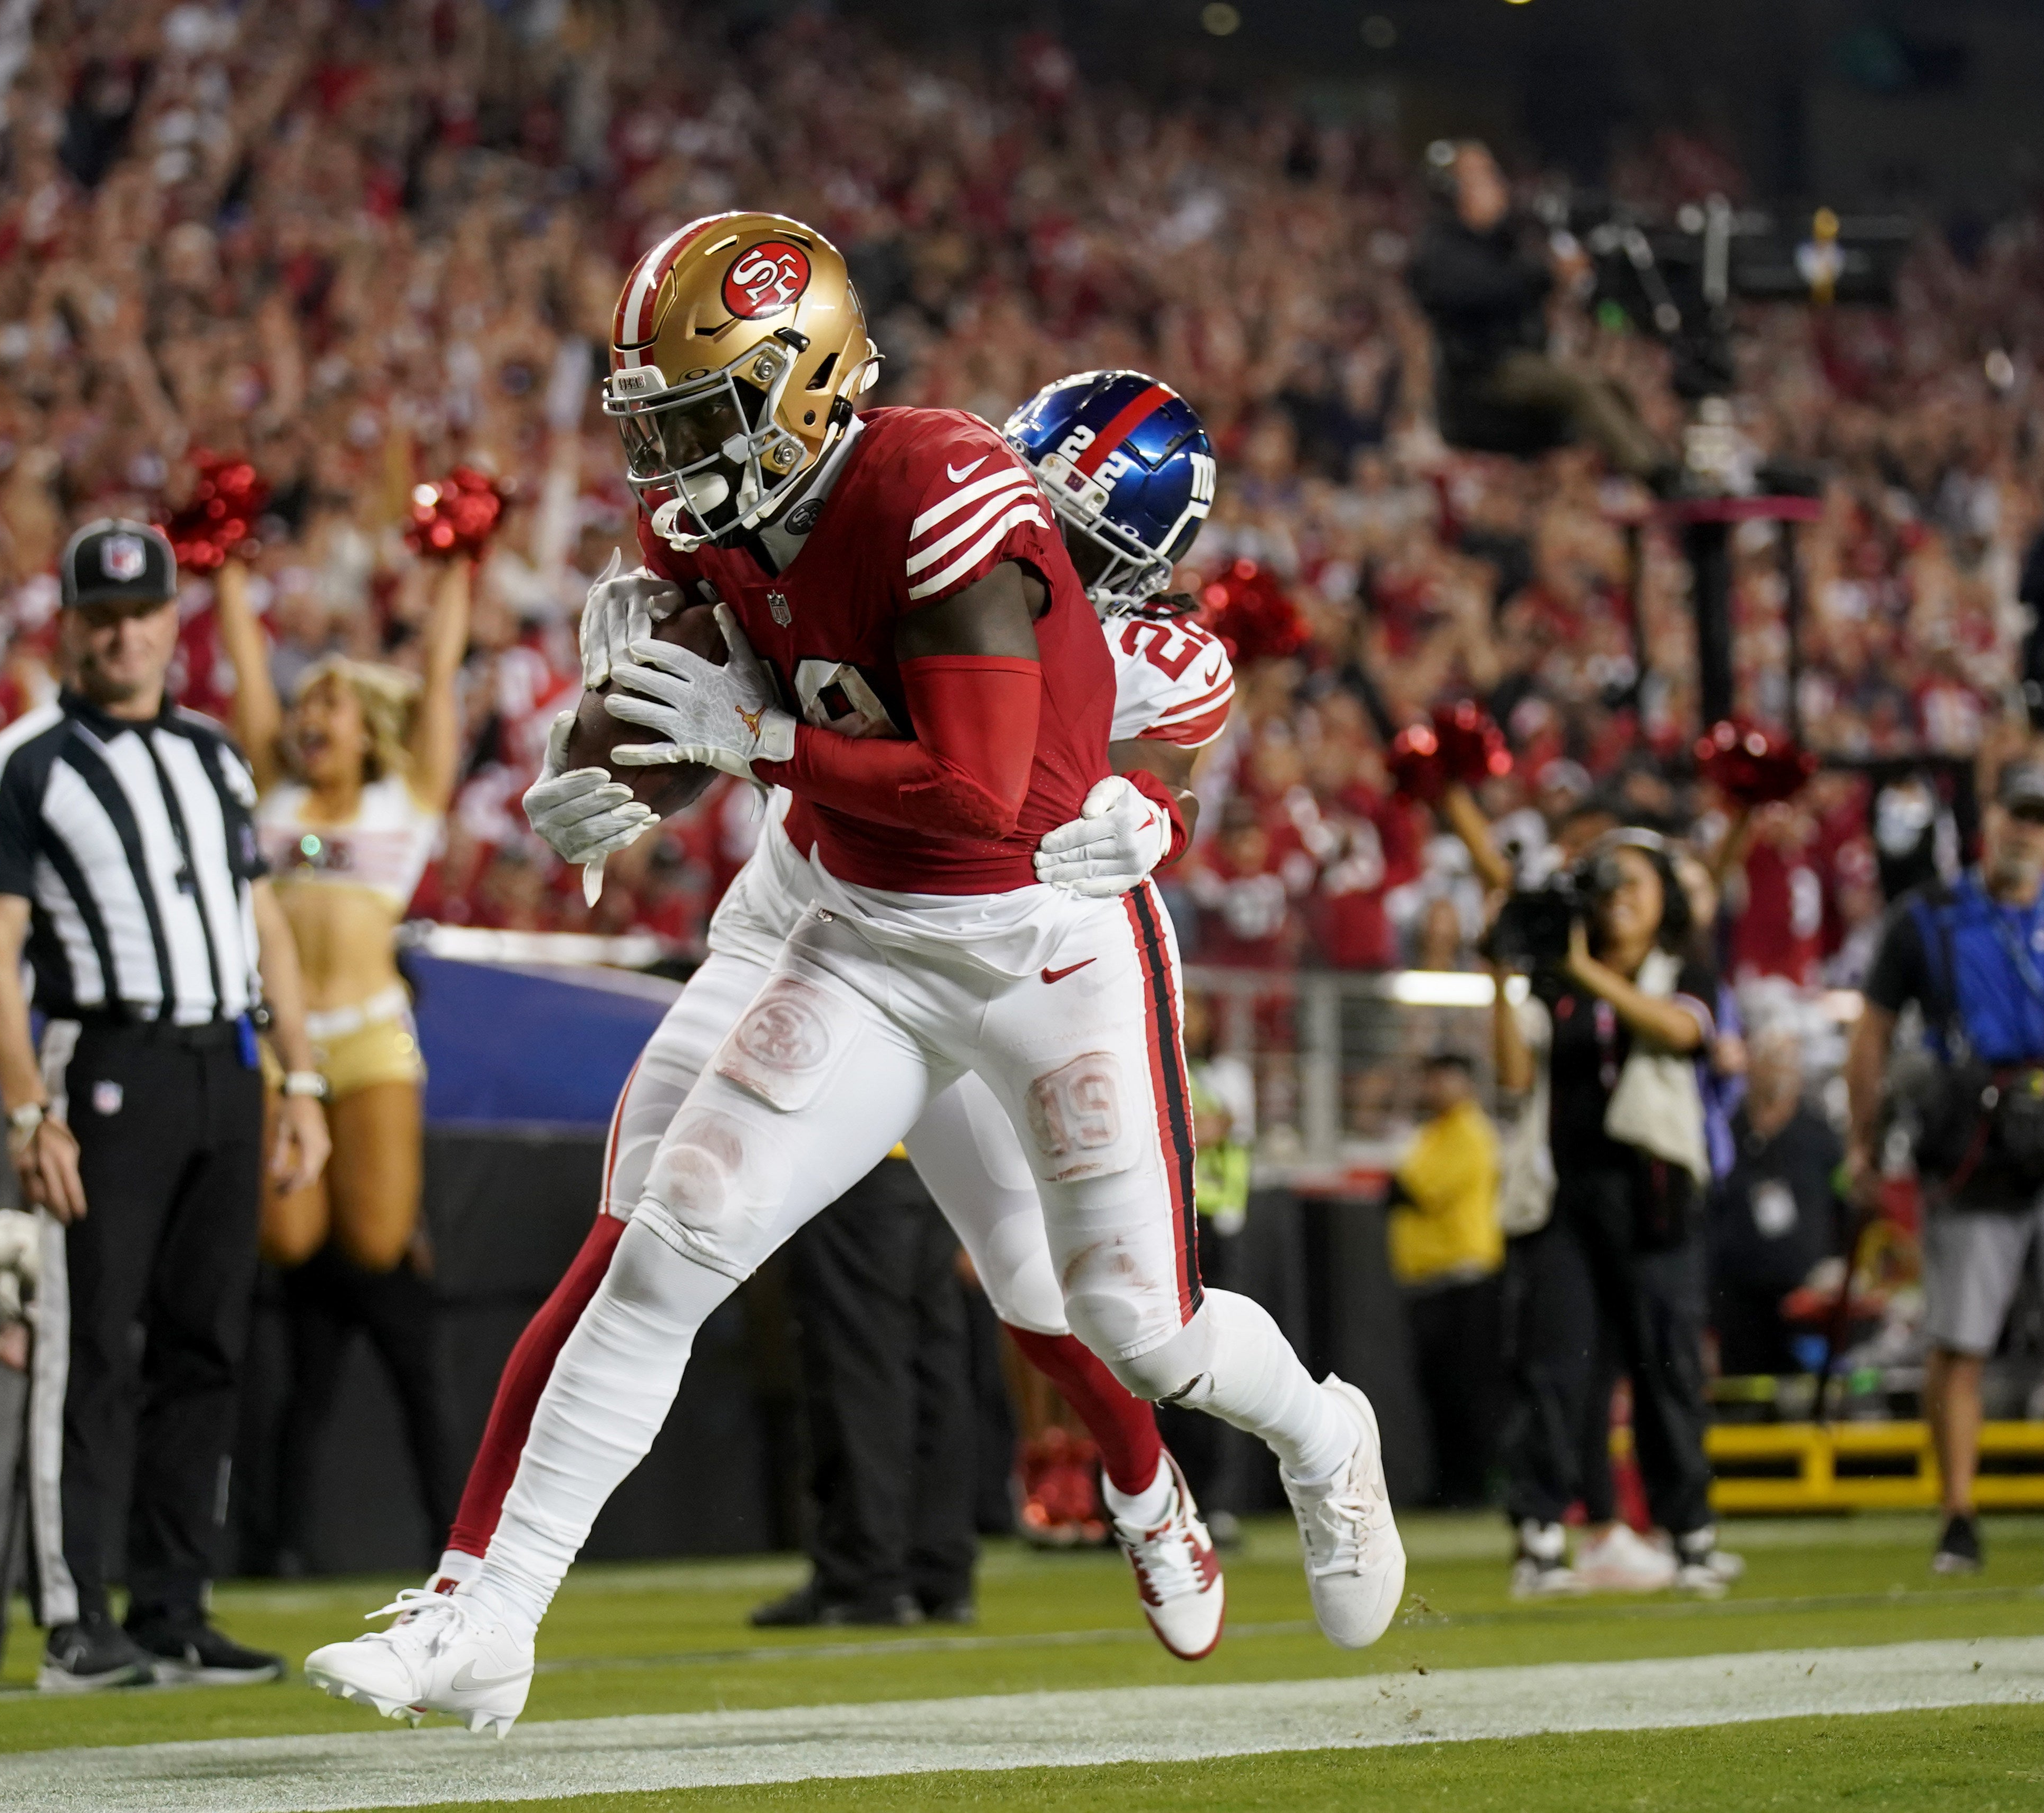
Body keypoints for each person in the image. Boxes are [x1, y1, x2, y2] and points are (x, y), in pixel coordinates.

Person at [304, 217, 1400, 1739]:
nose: (672, 461)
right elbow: (704, 697)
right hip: (861, 931)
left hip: (1040, 947)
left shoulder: (941, 495)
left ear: (807, 389)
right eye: (659, 422)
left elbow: (979, 793)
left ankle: (1317, 1428)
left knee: (1127, 1318)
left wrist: (749, 744)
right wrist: (600, 758)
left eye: (702, 417)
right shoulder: (720, 512)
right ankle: (491, 1609)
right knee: (672, 1233)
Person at [427, 367, 1246, 1663]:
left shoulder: (1146, 653)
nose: (1030, 541)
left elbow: (1141, 777)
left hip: (981, 949)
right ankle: (470, 1591)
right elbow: (688, 591)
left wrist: (1158, 817)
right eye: (1025, 496)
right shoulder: (912, 508)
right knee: (637, 1231)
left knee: (1041, 1295)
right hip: (801, 906)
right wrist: (604, 715)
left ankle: (1148, 1493)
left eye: (1072, 538)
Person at [0, 520, 332, 1693]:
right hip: (104, 1062)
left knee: (203, 1345)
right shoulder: (23, 762)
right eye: (100, 615)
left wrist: (301, 1075)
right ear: (69, 625)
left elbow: (261, 920)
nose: (121, 634)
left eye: (140, 613)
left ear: (173, 620)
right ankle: (78, 1616)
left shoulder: (215, 756)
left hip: (220, 1064)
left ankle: (174, 1604)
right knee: (88, 1345)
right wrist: (26, 1108)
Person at [211, 552, 471, 1563]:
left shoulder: (403, 802)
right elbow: (243, 666)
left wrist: (458, 564)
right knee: (287, 1238)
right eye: (304, 701)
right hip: (278, 1041)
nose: (313, 715)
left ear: (368, 725)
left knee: (367, 1244)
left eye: (334, 701)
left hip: (371, 1037)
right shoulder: (267, 793)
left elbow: (441, 673)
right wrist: (227, 571)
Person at [1846, 761, 2044, 1575]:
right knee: (1960, 1341)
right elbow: (1871, 1030)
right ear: (1989, 819)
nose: (2025, 829)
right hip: (1972, 1151)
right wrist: (1861, 1134)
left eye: (2041, 817)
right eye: (2014, 813)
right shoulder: (1927, 916)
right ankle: (1957, 1516)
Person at [1490, 832, 1735, 1597]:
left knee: (1668, 1363)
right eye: (1605, 884)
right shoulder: (1553, 981)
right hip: (1565, 1189)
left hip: (1652, 1187)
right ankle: (1537, 1536)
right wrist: (1503, 971)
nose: (1619, 895)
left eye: (1635, 882)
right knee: (1555, 1366)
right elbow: (1512, 1071)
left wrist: (1581, 969)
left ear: (1665, 895)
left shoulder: (1681, 969)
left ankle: (1688, 1531)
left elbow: (1679, 1030)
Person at [752, 1156, 977, 1628]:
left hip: (855, 1155)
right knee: (933, 1359)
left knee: (856, 1363)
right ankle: (938, 1574)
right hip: (927, 1158)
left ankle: (864, 1577)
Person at [1405, 140, 1673, 485]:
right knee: (1582, 385)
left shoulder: (1505, 242)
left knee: (1611, 386)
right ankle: (1656, 474)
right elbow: (1481, 290)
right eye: (1483, 178)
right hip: (1484, 374)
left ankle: (1641, 469)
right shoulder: (1442, 248)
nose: (1498, 187)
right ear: (1455, 191)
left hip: (1523, 365)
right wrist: (1549, 275)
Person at [1384, 1052, 1504, 1510]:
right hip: (1429, 1282)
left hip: (1465, 1279)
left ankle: (1475, 1487)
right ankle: (1450, 1486)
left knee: (1468, 1391)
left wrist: (1402, 1183)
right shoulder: (1433, 1133)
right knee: (1438, 1393)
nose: (1433, 1088)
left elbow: (1416, 1188)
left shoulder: (1470, 1131)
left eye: (1442, 1079)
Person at [1707, 1027, 1844, 1377]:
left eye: (1788, 1063)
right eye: (1771, 1060)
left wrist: (1836, 1268)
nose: (1779, 1072)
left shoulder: (1818, 1132)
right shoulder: (1726, 1129)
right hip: (1738, 1299)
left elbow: (1847, 1202)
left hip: (1806, 1300)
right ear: (1752, 1065)